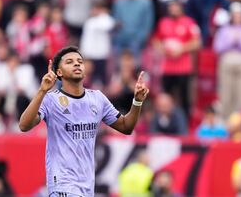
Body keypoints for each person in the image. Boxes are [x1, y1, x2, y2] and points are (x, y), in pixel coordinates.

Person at [19, 46, 149, 196]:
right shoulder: (51, 99)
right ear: (59, 72)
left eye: (80, 61)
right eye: (69, 61)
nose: (77, 64)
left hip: (87, 185)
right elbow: (24, 125)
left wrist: (137, 101)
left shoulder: (97, 98)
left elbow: (126, 127)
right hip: (62, 183)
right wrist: (42, 91)